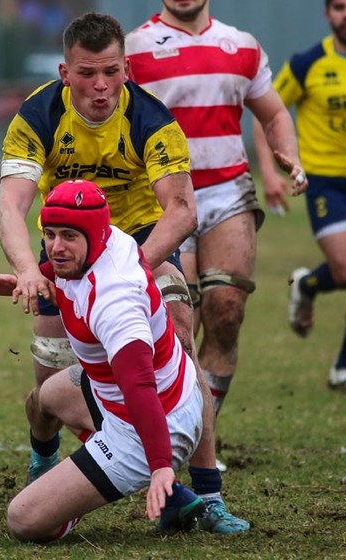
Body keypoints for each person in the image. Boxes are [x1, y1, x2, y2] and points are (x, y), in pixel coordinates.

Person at [0, 11, 247, 533]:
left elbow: (180, 210)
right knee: (48, 388)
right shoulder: (38, 116)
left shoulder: (152, 120)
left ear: (126, 68)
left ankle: (206, 492)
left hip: (139, 246)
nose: (101, 85)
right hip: (62, 252)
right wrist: (26, 270)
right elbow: (10, 206)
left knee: (179, 342)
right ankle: (45, 458)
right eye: (87, 73)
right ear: (66, 73)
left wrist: (126, 270)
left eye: (111, 71)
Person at [0, 179, 207, 542]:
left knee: (24, 520)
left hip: (151, 425)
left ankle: (91, 500)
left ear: (92, 237)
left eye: (68, 236)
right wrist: (15, 280)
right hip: (145, 391)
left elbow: (140, 386)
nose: (56, 247)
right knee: (44, 399)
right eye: (49, 234)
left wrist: (161, 467)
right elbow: (61, 271)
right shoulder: (105, 240)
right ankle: (53, 472)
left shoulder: (115, 302)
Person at [125, 1, 307, 446]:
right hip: (164, 198)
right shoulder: (133, 47)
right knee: (179, 325)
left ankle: (199, 436)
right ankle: (164, 432)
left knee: (226, 312)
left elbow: (275, 113)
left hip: (228, 190)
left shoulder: (242, 45)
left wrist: (290, 156)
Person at [254, 0, 346, 393]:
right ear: (328, 15)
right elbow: (266, 113)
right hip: (326, 182)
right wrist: (269, 171)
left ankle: (345, 368)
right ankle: (308, 286)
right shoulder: (307, 63)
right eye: (339, 7)